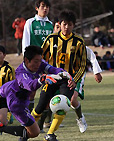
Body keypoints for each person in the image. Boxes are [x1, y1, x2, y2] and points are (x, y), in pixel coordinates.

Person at [0, 45, 68, 141]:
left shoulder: (38, 63)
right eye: (36, 61)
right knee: (34, 132)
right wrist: (42, 79)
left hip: (9, 86)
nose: (38, 64)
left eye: (39, 61)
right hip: (17, 103)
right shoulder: (21, 73)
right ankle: (0, 128)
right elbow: (30, 85)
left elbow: (51, 69)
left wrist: (62, 73)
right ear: (27, 60)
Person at [31, 11, 87, 141]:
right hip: (51, 78)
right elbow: (40, 57)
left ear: (74, 26)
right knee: (40, 106)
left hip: (67, 80)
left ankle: (50, 134)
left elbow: (83, 65)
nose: (67, 27)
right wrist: (40, 73)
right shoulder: (51, 39)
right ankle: (26, 128)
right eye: (64, 24)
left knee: (63, 105)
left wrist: (75, 80)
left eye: (70, 25)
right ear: (59, 24)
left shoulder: (78, 42)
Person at [21, 0, 54, 116]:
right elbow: (25, 40)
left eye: (47, 7)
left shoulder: (51, 25)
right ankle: (28, 117)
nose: (45, 9)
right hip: (33, 62)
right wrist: (26, 58)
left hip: (47, 62)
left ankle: (46, 120)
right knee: (31, 90)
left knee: (49, 89)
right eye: (42, 6)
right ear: (36, 8)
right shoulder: (30, 22)